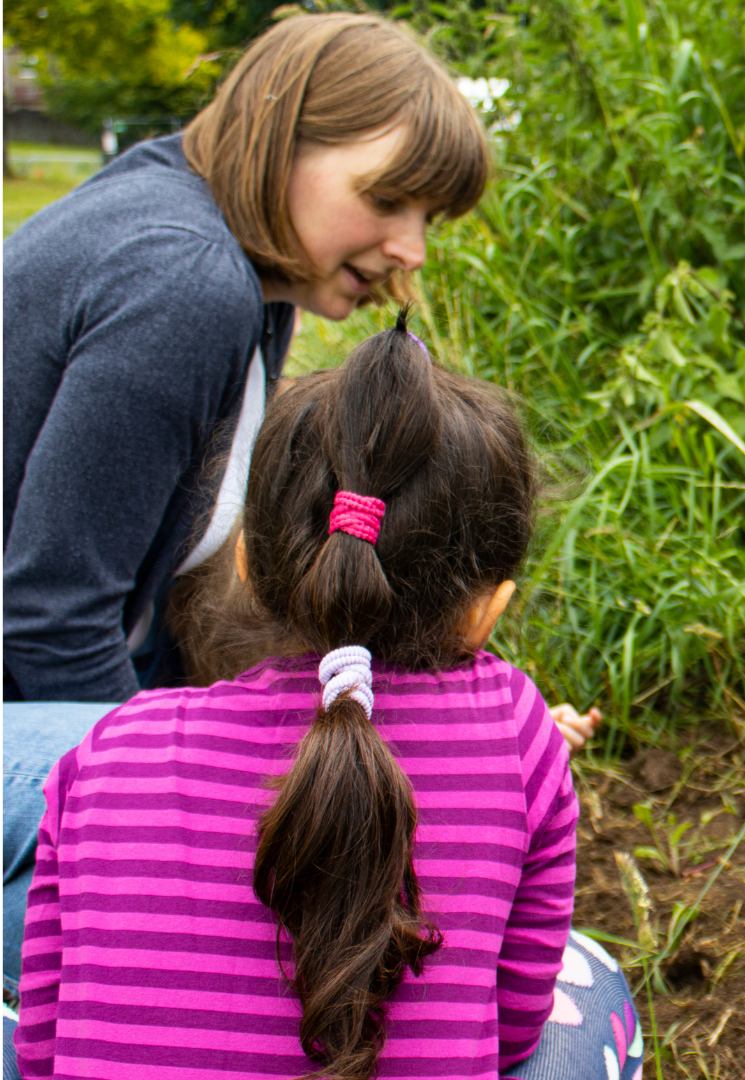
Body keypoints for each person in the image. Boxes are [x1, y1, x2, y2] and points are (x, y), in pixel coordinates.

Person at [0, 13, 598, 992]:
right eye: (389, 199)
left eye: (430, 220)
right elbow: (47, 613)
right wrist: (163, 837)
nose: (409, 251)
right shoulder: (186, 280)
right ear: (288, 139)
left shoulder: (246, 271)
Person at [8, 316, 643, 1080]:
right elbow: (510, 1036)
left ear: (245, 562)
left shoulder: (106, 753)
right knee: (592, 980)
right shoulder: (519, 733)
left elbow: (40, 1049)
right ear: (489, 608)